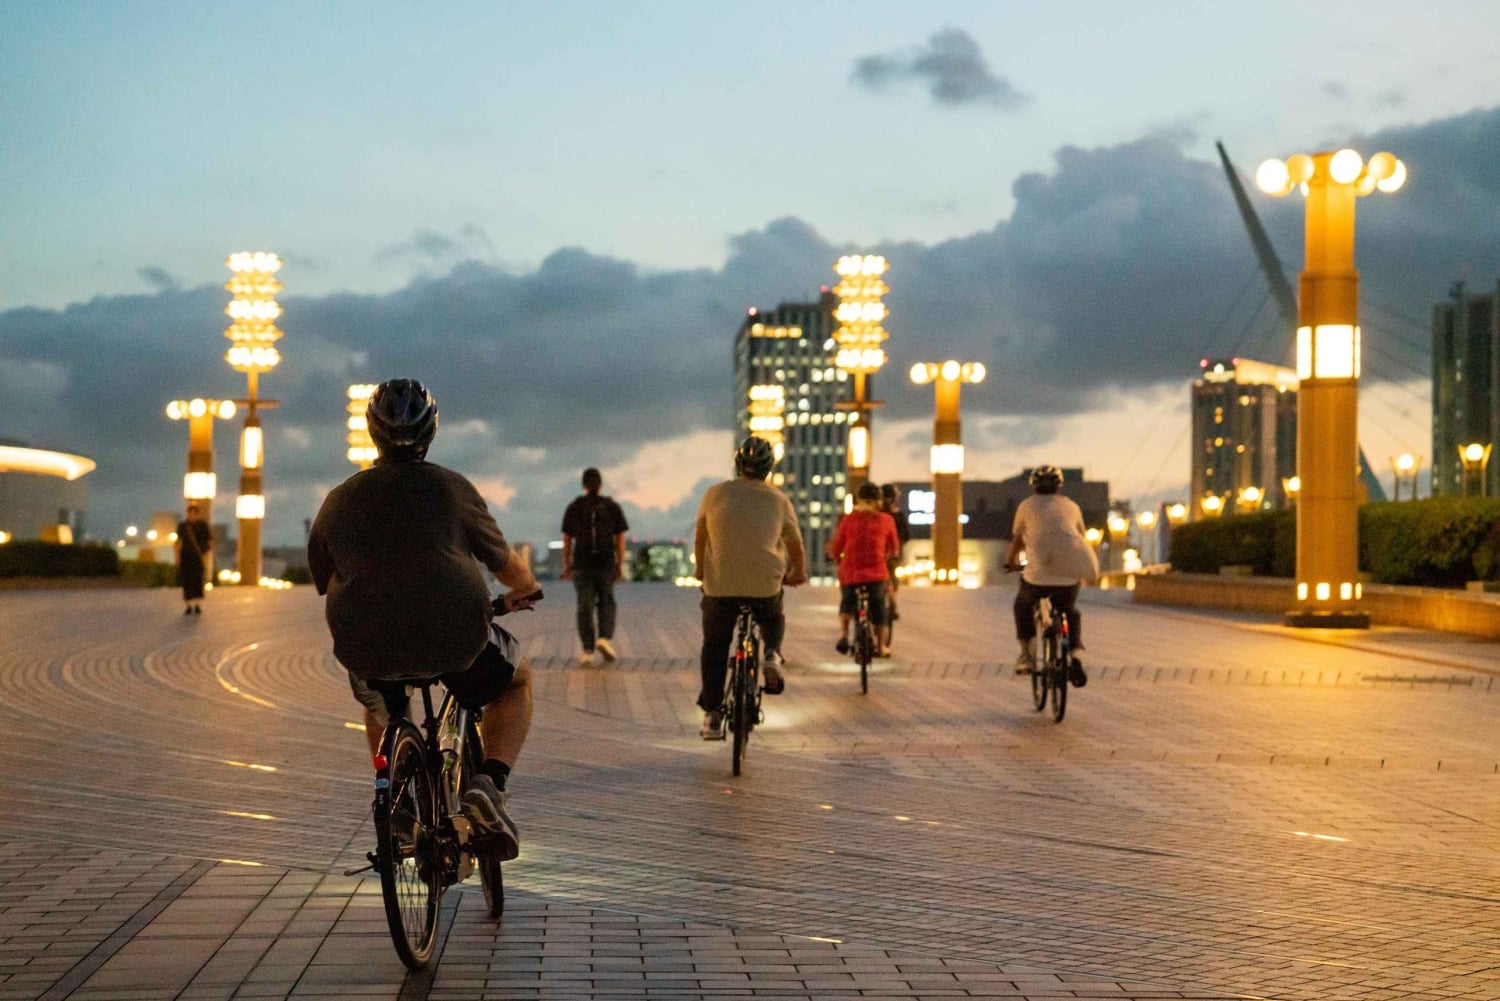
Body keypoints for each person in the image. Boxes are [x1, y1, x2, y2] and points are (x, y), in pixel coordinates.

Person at [307, 379, 540, 859]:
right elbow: (504, 564)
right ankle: (488, 786)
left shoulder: (338, 500)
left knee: (382, 708)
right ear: (432, 431)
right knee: (515, 683)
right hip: (456, 641)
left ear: (372, 433)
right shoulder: (452, 489)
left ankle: (397, 791)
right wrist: (524, 588)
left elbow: (324, 577)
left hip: (366, 650)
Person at [693, 435, 807, 739]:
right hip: (764, 584)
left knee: (715, 646)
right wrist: (799, 573)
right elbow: (795, 544)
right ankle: (771, 654)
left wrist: (701, 570)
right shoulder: (778, 499)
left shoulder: (714, 494)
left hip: (720, 586)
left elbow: (701, 536)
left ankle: (713, 714)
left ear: (738, 465)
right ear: (769, 469)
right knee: (773, 614)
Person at [1003, 465, 1099, 687]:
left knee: (1022, 604)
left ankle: (1027, 654)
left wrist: (1011, 561)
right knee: (1070, 611)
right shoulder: (1071, 507)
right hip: (1068, 576)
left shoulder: (1026, 506)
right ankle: (1075, 656)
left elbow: (1018, 539)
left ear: (1034, 485)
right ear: (1059, 485)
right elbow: (1080, 536)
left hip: (1037, 576)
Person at [560, 467, 628, 666]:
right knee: (606, 602)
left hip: (581, 564)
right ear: (600, 484)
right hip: (606, 563)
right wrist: (620, 564)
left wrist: (568, 565)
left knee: (584, 606)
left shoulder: (574, 507)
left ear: (584, 485)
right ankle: (604, 638)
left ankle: (587, 650)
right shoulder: (612, 506)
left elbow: (567, 539)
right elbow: (620, 539)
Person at [828, 481, 900, 657]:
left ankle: (844, 635)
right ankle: (881, 646)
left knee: (847, 604)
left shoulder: (848, 519)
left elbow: (837, 546)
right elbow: (894, 547)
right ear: (879, 502)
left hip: (850, 574)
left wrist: (838, 560)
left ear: (858, 501)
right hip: (877, 574)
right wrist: (888, 557)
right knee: (879, 610)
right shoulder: (887, 520)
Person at [880, 483, 911, 653]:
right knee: (892, 579)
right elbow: (905, 537)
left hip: (875, 555)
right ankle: (893, 604)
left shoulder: (876, 514)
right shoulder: (897, 516)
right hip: (893, 555)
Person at [174, 503, 212, 615]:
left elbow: (209, 541)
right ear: (187, 513)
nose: (192, 515)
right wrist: (177, 557)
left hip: (199, 558)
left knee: (198, 581)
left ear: (197, 514)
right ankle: (188, 605)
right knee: (187, 581)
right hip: (186, 557)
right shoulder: (182, 526)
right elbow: (178, 542)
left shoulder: (203, 525)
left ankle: (197, 604)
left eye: (194, 514)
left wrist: (208, 556)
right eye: (190, 513)